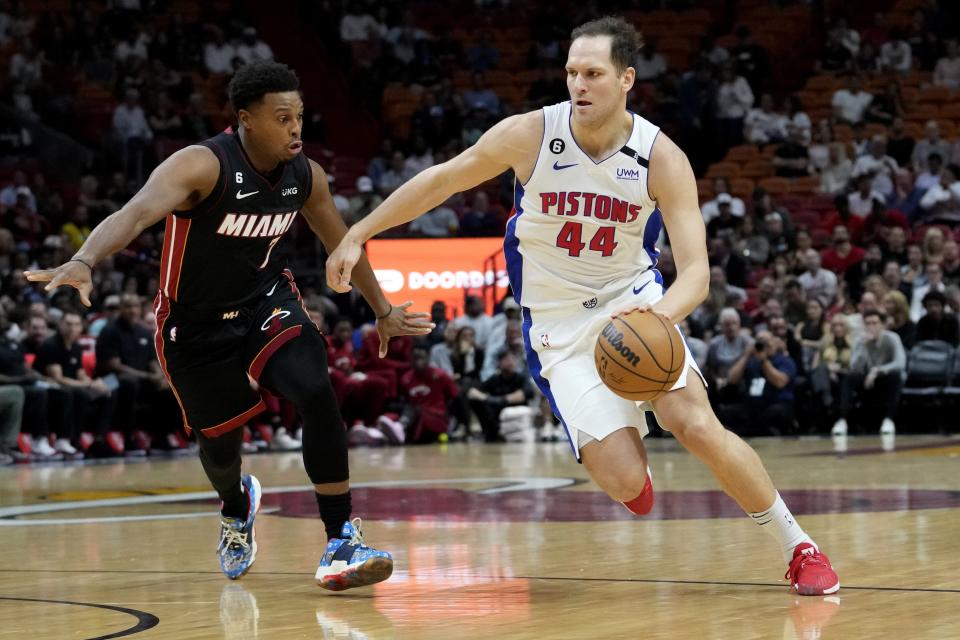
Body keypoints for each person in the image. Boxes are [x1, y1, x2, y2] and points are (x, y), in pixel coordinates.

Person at [326, 17, 839, 595]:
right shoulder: (532, 134)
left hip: (633, 302)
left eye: (593, 74)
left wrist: (657, 318)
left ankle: (798, 546)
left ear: (626, 79)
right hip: (556, 324)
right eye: (572, 72)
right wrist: (358, 233)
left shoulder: (660, 157)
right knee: (625, 484)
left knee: (694, 423)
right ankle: (627, 460)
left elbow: (696, 273)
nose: (579, 84)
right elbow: (443, 180)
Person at [25, 61, 433, 590]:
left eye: (300, 116)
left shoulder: (306, 176)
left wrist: (383, 310)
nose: (295, 128)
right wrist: (85, 259)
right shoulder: (202, 165)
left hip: (265, 300)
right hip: (192, 322)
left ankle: (341, 541)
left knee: (315, 389)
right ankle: (237, 507)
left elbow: (343, 243)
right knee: (220, 446)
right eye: (282, 118)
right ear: (246, 119)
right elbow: (136, 212)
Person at [831, 310, 904, 436]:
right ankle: (842, 420)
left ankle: (889, 420)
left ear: (882, 325)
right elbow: (854, 367)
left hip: (884, 378)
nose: (871, 327)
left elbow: (900, 364)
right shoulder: (859, 340)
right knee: (849, 378)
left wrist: (877, 371)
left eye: (875, 323)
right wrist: (863, 347)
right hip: (867, 380)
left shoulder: (892, 338)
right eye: (868, 324)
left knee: (896, 377)